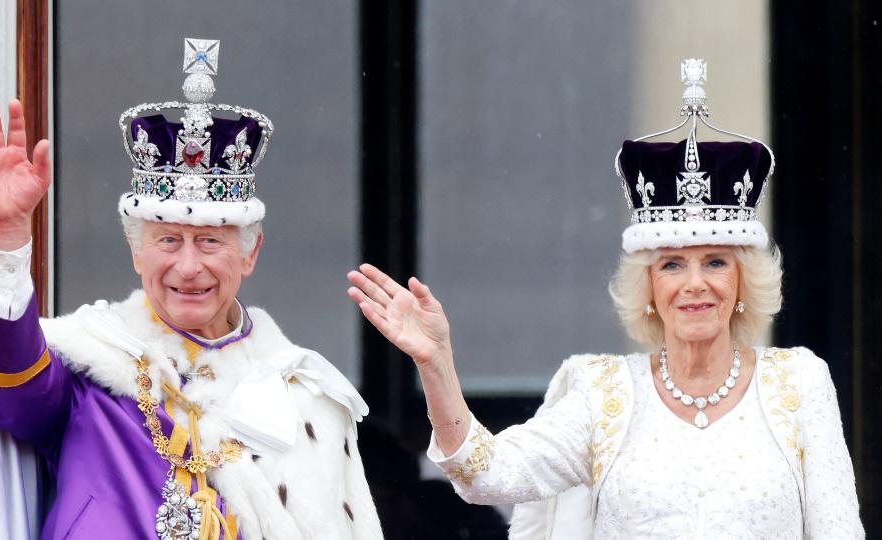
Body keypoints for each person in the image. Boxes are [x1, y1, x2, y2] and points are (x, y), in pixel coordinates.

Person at [347, 70, 863, 538]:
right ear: (650, 289)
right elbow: (487, 474)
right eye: (671, 265)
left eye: (715, 262)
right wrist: (435, 363)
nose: (694, 284)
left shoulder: (799, 383)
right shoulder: (605, 395)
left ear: (743, 281)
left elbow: (840, 530)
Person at [0, 38, 382, 540]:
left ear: (249, 254)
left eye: (210, 241)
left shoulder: (305, 398)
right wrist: (7, 238)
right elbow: (9, 387)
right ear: (136, 251)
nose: (188, 267)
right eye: (168, 239)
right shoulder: (91, 371)